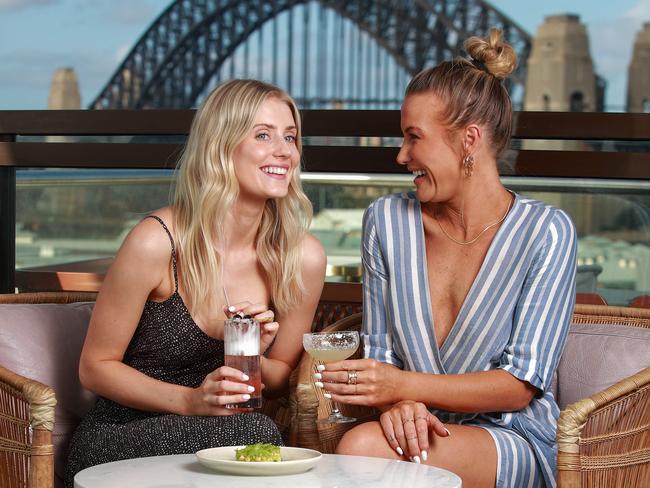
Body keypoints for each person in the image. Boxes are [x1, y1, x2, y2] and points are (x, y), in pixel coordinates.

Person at [316, 29, 576, 488]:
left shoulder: (547, 232)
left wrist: (401, 387)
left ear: (468, 139)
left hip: (508, 434)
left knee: (360, 448)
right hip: (412, 421)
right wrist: (398, 405)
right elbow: (382, 355)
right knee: (364, 447)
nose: (401, 155)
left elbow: (520, 384)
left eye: (414, 138)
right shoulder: (385, 221)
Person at [65, 79, 326, 487]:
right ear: (221, 146)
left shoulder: (301, 257)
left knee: (253, 440)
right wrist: (190, 401)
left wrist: (251, 357)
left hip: (223, 443)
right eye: (263, 135)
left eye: (290, 137)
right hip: (120, 435)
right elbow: (95, 369)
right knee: (254, 436)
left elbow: (281, 381)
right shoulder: (157, 241)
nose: (284, 151)